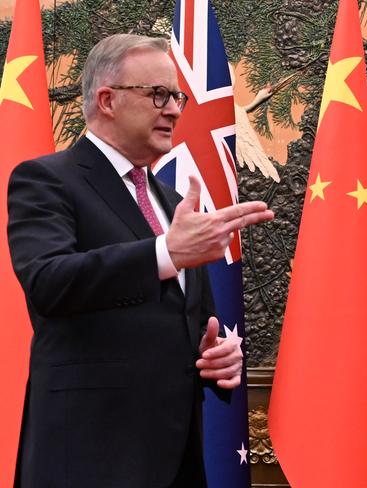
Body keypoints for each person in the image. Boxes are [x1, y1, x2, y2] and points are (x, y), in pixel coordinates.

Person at [7, 34, 274, 488]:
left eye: (177, 97)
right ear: (107, 100)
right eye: (158, 94)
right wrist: (166, 253)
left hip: (176, 460)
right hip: (88, 458)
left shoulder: (173, 203)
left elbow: (187, 321)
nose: (173, 109)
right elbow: (49, 282)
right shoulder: (45, 180)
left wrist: (215, 358)